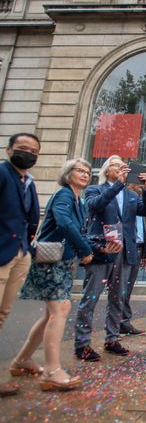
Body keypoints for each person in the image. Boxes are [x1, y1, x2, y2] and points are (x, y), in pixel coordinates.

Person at [14, 159, 98, 392]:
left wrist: (92, 247)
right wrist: (85, 249)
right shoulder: (64, 195)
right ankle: (52, 371)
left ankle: (22, 360)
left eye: (88, 171)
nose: (84, 174)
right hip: (51, 260)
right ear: (67, 173)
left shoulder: (79, 200)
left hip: (62, 260)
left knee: (52, 312)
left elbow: (78, 229)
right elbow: (63, 223)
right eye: (79, 170)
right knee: (60, 309)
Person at [74, 155, 146, 361]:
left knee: (118, 297)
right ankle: (82, 344)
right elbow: (96, 206)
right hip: (103, 250)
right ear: (106, 169)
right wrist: (118, 184)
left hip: (124, 251)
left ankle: (112, 338)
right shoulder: (95, 189)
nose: (121, 169)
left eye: (123, 166)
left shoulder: (130, 194)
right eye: (116, 165)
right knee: (91, 297)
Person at [0, 133, 40, 397]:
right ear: (8, 149)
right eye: (22, 148)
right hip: (2, 251)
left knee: (3, 313)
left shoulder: (28, 181)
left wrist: (26, 247)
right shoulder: (3, 174)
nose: (27, 153)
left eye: (33, 150)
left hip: (19, 252)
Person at [120, 183, 146, 336]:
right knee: (121, 288)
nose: (140, 187)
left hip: (138, 249)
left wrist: (145, 254)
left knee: (128, 287)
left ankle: (124, 321)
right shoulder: (126, 203)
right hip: (125, 248)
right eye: (137, 185)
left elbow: (143, 232)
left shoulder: (141, 208)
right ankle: (119, 322)